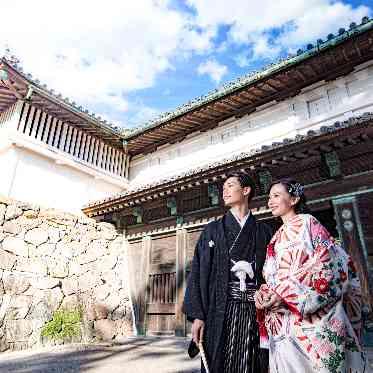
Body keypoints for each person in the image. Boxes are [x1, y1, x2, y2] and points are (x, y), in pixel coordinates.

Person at [254, 178, 366, 373]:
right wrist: (265, 294)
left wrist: (285, 293)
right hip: (284, 321)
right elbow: (271, 277)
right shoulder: (276, 236)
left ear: (294, 199)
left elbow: (330, 263)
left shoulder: (309, 223)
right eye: (269, 197)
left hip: (312, 317)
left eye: (276, 196)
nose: (270, 201)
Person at [183, 172, 273, 373]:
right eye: (223, 187)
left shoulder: (264, 231)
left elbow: (274, 273)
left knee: (252, 362)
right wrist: (198, 316)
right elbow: (199, 272)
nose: (224, 191)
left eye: (230, 185)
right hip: (220, 309)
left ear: (246, 190)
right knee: (219, 361)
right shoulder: (213, 230)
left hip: (255, 309)